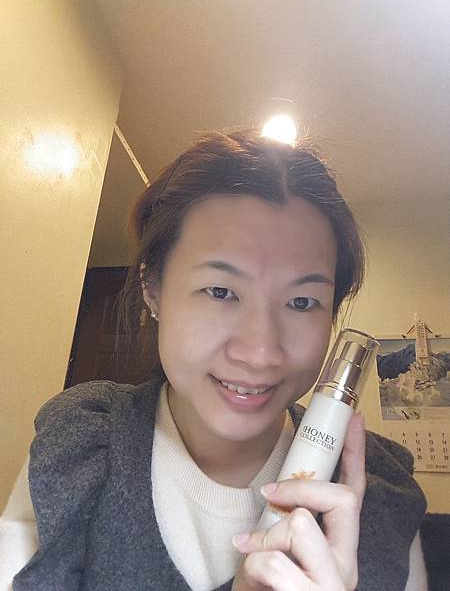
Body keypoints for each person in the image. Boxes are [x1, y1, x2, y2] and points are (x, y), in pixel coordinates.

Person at [2, 128, 428, 590]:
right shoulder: (83, 443)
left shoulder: (377, 494)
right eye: (221, 291)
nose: (260, 352)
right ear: (153, 289)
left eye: (302, 302)